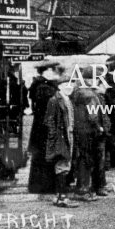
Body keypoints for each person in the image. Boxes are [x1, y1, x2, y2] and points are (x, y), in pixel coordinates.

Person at [72, 72, 111, 201]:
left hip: (82, 131)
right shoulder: (89, 94)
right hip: (91, 132)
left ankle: (85, 187)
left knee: (84, 159)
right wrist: (99, 128)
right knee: (90, 160)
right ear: (89, 80)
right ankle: (85, 189)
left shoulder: (79, 92)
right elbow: (93, 115)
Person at [27, 61, 63, 193]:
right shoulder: (44, 88)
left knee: (41, 156)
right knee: (46, 155)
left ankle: (40, 185)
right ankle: (46, 186)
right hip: (45, 127)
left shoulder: (40, 85)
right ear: (46, 71)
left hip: (41, 126)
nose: (55, 73)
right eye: (52, 70)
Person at [45, 76, 79, 208]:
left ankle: (59, 195)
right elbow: (49, 120)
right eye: (66, 85)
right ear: (59, 87)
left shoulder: (68, 100)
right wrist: (55, 138)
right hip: (61, 137)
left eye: (71, 85)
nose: (69, 88)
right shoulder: (54, 101)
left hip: (68, 135)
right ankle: (62, 197)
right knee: (62, 165)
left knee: (66, 164)